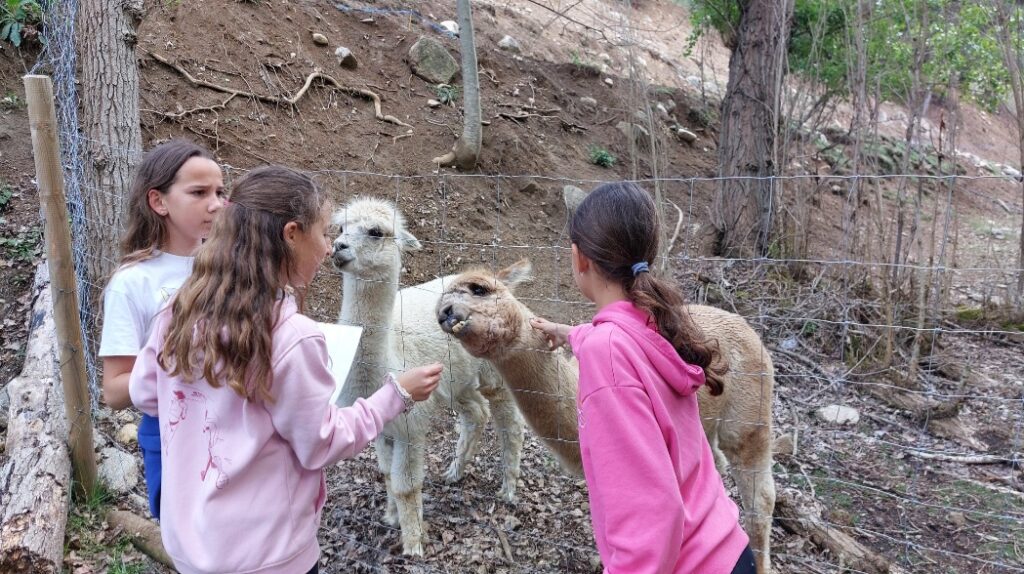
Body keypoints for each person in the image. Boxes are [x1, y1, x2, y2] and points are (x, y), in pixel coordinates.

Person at [129, 165, 442, 574]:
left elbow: (144, 393)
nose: (330, 247)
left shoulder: (179, 309)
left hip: (189, 541)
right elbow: (321, 443)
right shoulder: (293, 337)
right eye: (325, 233)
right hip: (269, 555)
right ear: (292, 234)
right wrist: (394, 396)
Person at [530, 182, 756, 574]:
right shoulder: (654, 321)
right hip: (726, 548)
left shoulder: (608, 353)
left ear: (579, 258)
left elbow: (651, 511)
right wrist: (572, 334)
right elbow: (618, 339)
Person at [99, 139, 226, 519]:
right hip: (172, 438)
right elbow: (114, 390)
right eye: (199, 193)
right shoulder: (133, 283)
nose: (216, 204)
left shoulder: (231, 269)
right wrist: (183, 367)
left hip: (234, 432)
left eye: (220, 192)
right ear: (159, 201)